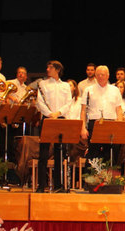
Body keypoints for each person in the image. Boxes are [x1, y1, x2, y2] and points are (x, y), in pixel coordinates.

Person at [35, 60, 72, 193]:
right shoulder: (43, 84)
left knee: (59, 152)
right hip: (47, 118)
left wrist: (59, 113)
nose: (48, 69)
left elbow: (69, 102)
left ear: (57, 69)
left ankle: (58, 185)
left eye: (50, 67)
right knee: (43, 153)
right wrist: (50, 114)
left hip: (60, 118)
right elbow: (40, 102)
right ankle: (41, 185)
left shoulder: (66, 86)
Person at [80, 66, 124, 164]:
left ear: (108, 76)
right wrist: (83, 128)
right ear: (95, 76)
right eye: (98, 74)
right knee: (93, 155)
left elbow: (119, 109)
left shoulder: (115, 90)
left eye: (103, 74)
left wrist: (119, 126)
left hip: (111, 124)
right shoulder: (88, 90)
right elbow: (83, 110)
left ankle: (110, 179)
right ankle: (90, 179)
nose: (100, 77)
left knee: (111, 155)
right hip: (94, 124)